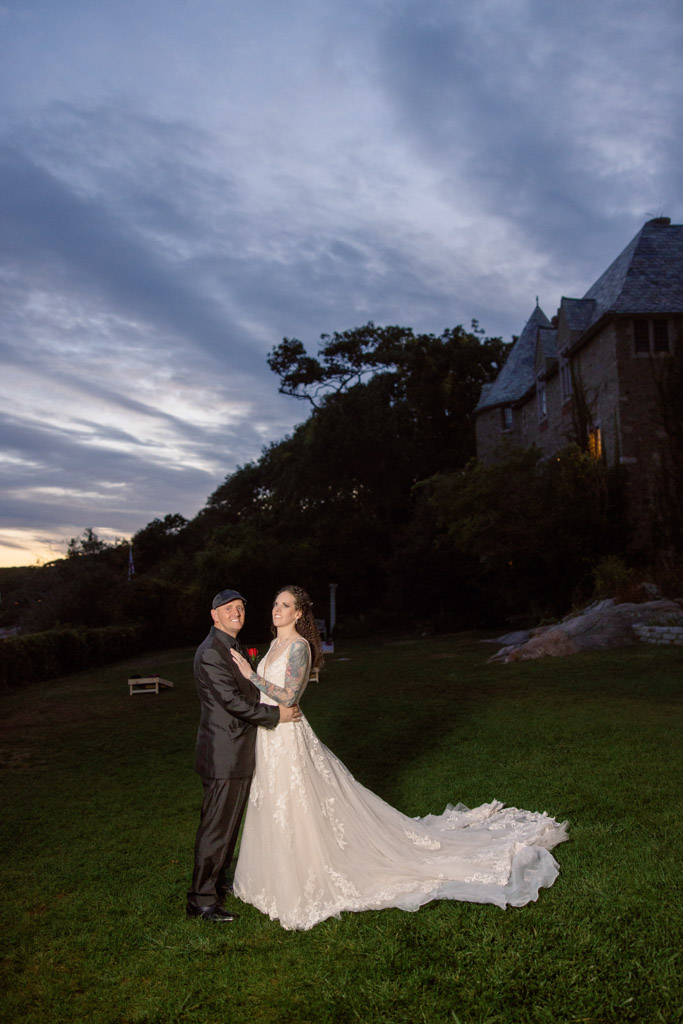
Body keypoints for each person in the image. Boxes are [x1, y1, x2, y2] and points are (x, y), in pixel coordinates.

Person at [229, 584, 569, 931]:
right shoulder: (274, 645)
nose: (277, 610)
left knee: (299, 802)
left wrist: (250, 675)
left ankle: (311, 871)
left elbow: (288, 696)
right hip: (268, 735)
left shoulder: (299, 647)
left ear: (299, 613)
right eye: (275, 604)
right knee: (275, 801)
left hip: (288, 734)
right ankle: (278, 875)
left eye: (285, 605)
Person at [187, 587, 301, 923]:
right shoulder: (211, 652)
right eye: (228, 609)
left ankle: (214, 884)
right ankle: (201, 902)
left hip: (235, 750)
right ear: (214, 615)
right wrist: (276, 716)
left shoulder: (231, 646)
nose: (236, 613)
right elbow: (233, 703)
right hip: (224, 753)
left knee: (227, 827)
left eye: (240, 608)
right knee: (216, 830)